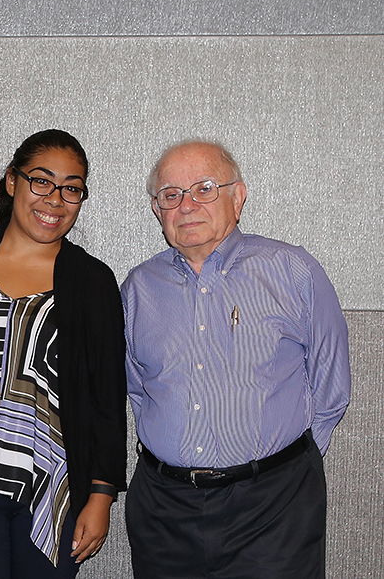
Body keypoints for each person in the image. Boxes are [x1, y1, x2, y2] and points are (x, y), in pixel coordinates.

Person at [122, 140, 350, 579]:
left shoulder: (293, 270)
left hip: (273, 510)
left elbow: (331, 386)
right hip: (164, 512)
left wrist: (280, 469)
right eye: (171, 194)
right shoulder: (138, 289)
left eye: (204, 188)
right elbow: (138, 390)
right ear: (157, 209)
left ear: (238, 196)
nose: (187, 205)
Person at [0, 129, 128, 579]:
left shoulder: (92, 281)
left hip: (52, 486)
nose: (55, 199)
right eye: (42, 181)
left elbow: (107, 399)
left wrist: (100, 497)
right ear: (13, 181)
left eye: (71, 189)